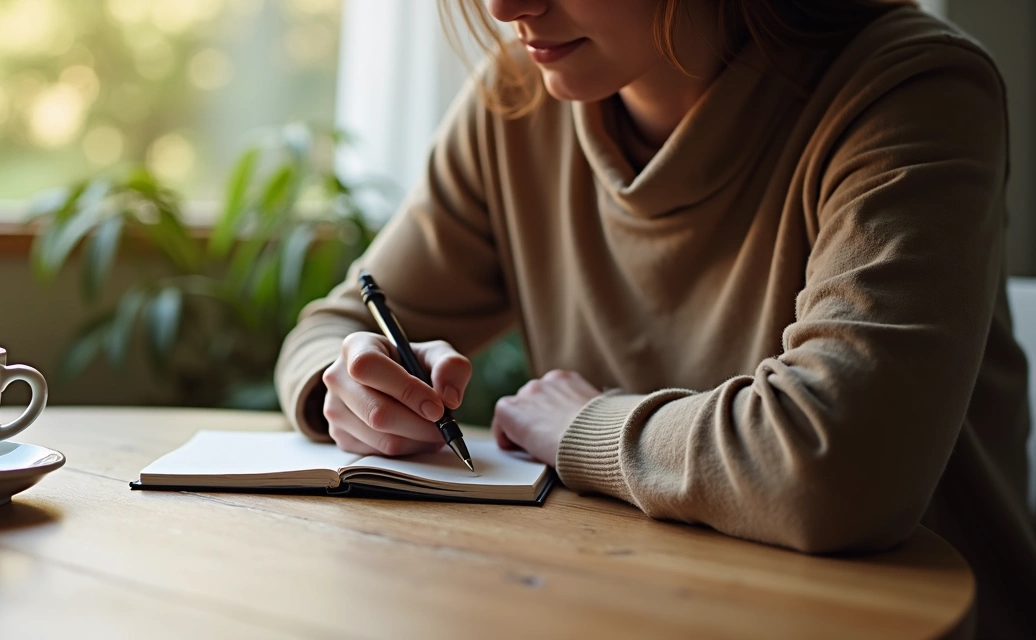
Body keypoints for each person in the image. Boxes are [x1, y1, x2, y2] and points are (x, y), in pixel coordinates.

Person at [275, 0, 1036, 635]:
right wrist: (350, 383)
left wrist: (584, 427)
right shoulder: (516, 101)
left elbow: (836, 467)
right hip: (623, 609)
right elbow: (334, 327)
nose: (506, 10)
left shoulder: (912, 90)